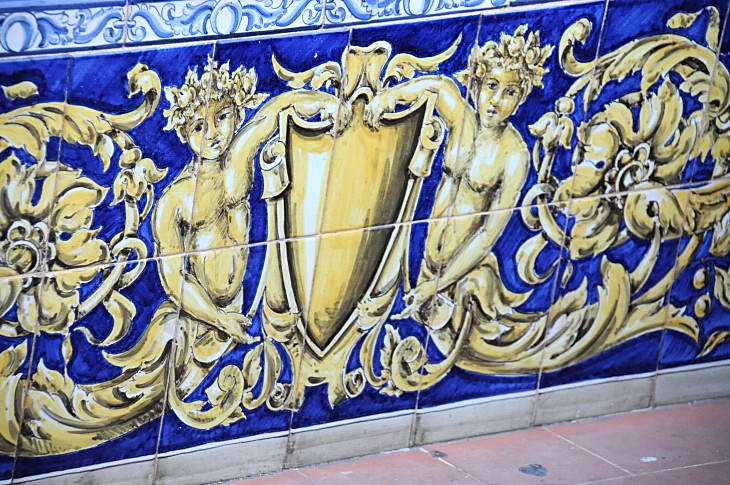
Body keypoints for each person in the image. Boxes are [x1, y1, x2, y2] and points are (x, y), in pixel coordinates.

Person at [365, 25, 552, 336]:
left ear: (520, 100)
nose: (496, 101)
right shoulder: (461, 118)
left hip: (458, 275)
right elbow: (438, 86)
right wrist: (388, 97)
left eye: (510, 93)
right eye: (491, 85)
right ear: (476, 83)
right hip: (424, 261)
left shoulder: (513, 155)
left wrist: (438, 284)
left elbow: (488, 234)